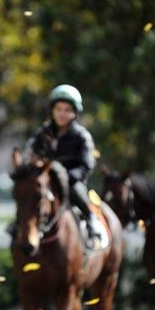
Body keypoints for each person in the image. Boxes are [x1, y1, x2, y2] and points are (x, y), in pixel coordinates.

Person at [22, 84, 101, 250]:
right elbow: (30, 156)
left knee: (78, 192)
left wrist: (63, 176)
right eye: (58, 108)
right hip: (45, 180)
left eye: (67, 109)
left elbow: (86, 166)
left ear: (74, 112)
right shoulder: (42, 134)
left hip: (71, 181)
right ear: (52, 110)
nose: (62, 113)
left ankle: (92, 221)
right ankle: (18, 226)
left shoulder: (82, 136)